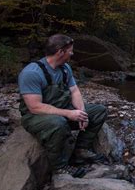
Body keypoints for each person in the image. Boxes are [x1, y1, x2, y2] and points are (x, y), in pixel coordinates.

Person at [18, 34, 106, 177]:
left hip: (62, 109)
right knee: (58, 122)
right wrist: (68, 114)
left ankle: (80, 150)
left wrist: (81, 113)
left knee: (99, 111)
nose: (72, 53)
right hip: (36, 116)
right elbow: (35, 107)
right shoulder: (31, 73)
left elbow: (75, 91)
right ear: (60, 52)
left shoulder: (65, 68)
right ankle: (59, 167)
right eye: (70, 51)